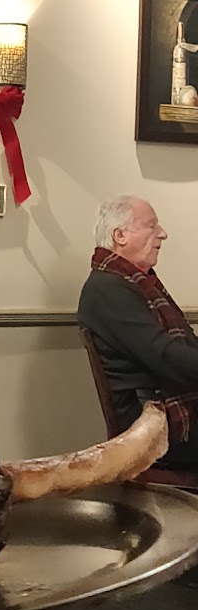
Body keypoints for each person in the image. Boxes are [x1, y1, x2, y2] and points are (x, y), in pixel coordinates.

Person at [78, 195, 198, 463]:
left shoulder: (131, 283)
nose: (162, 234)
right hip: (154, 428)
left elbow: (185, 347)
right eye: (151, 225)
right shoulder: (107, 290)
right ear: (119, 235)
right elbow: (164, 356)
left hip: (166, 416)